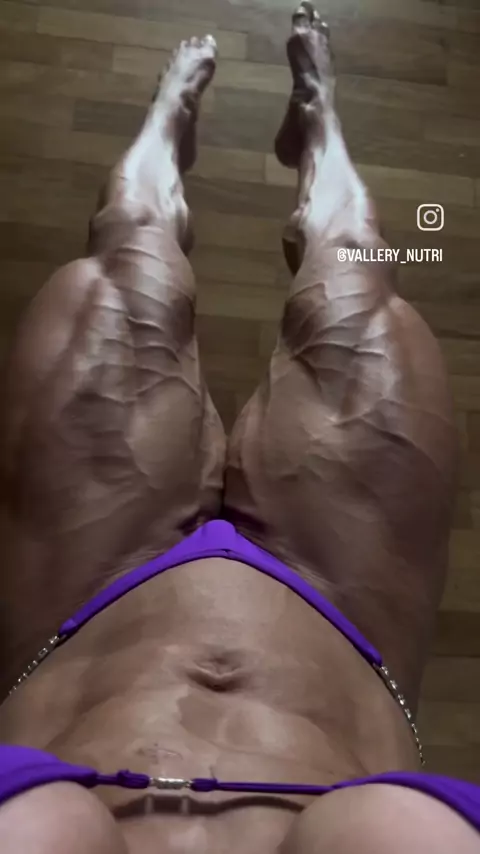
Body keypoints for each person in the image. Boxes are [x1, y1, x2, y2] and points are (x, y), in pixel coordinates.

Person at [0, 3, 478, 852]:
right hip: (341, 615)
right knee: (355, 271)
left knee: (130, 264)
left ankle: (167, 122)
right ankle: (320, 130)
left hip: (87, 605)